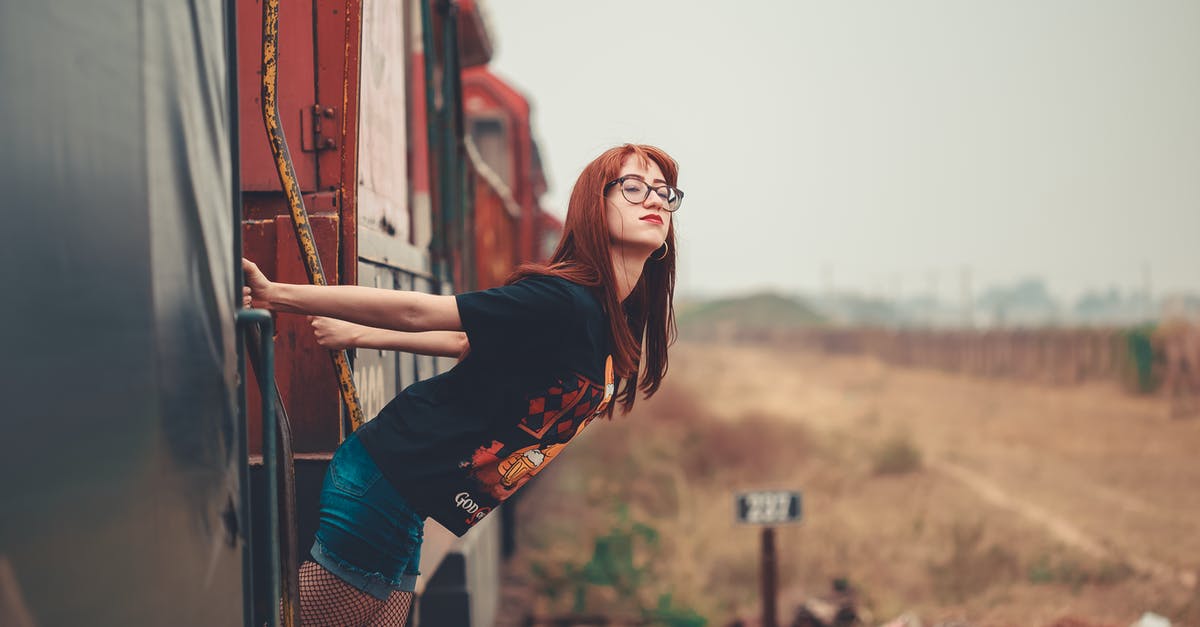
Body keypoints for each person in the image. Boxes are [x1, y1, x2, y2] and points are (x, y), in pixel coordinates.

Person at [242, 143, 683, 626]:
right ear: (593, 210)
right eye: (634, 188)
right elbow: (420, 311)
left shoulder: (607, 317)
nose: (655, 201)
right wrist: (275, 295)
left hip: (409, 501)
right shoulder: (562, 299)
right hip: (384, 481)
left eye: (664, 192)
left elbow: (465, 343)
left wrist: (360, 335)